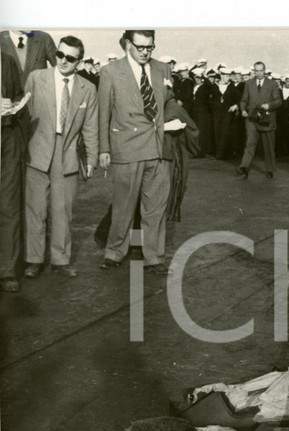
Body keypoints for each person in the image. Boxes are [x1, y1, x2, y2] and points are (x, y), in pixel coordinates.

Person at [98, 30, 176, 275]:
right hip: (126, 147)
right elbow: (103, 113)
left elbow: (170, 100)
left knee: (155, 207)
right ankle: (114, 252)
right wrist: (104, 149)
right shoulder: (110, 72)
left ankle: (153, 256)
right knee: (124, 205)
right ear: (127, 44)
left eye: (149, 47)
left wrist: (175, 117)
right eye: (140, 47)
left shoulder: (163, 69)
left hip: (157, 147)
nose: (145, 52)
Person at [23, 35, 98, 280]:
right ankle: (33, 259)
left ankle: (60, 259)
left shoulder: (88, 88)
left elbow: (90, 127)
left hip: (67, 153)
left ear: (79, 62)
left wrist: (91, 158)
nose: (63, 61)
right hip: (37, 149)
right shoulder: (36, 78)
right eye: (60, 55)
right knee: (35, 209)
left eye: (70, 58)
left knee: (63, 210)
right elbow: (23, 112)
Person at [0, 52, 26, 293]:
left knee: (9, 204)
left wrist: (17, 104)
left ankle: (7, 269)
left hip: (6, 134)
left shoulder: (6, 60)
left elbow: (17, 93)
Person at [237, 61, 283, 179]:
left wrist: (269, 105)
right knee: (250, 143)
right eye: (256, 71)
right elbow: (243, 100)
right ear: (254, 71)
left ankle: (269, 169)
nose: (258, 73)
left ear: (264, 70)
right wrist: (243, 110)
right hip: (252, 118)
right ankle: (244, 167)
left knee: (268, 145)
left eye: (261, 70)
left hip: (266, 118)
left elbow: (278, 101)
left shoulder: (272, 84)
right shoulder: (248, 83)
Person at [214, 67, 241, 161]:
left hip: (227, 113)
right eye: (225, 76)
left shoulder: (232, 87)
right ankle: (218, 152)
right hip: (216, 113)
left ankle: (221, 154)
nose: (227, 78)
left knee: (225, 131)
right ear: (221, 76)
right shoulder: (214, 86)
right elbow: (209, 99)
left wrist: (236, 106)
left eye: (229, 76)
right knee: (217, 131)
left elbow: (240, 99)